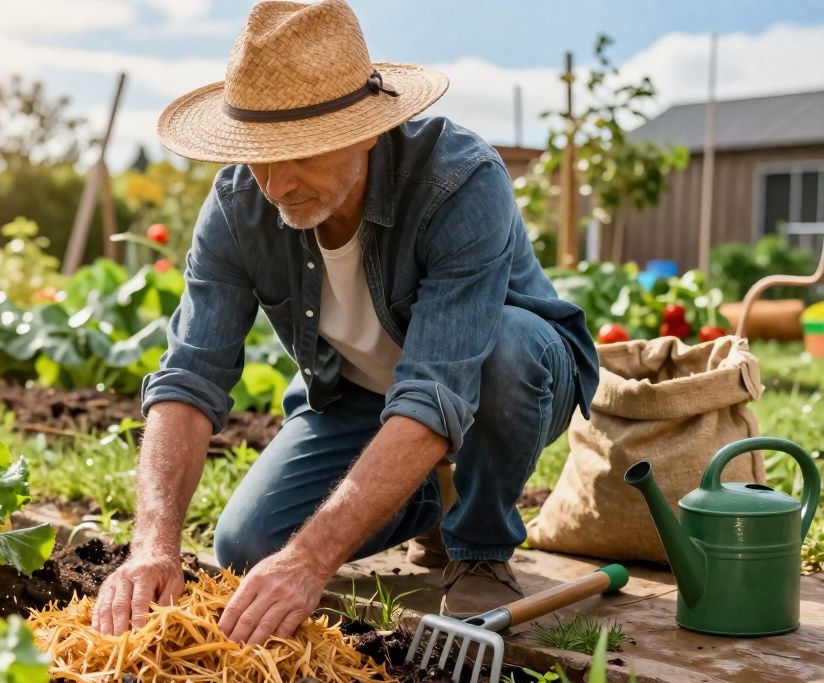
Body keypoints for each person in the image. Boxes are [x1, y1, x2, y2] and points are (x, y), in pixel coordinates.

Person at [91, 0, 599, 645]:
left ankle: (478, 543)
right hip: (358, 395)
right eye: (257, 155)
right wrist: (152, 546)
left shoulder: (460, 180)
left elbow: (440, 387)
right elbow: (189, 378)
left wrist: (310, 563)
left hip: (502, 378)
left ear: (366, 129)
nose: (275, 183)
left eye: (298, 152)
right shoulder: (237, 207)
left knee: (508, 348)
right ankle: (428, 503)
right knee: (249, 544)